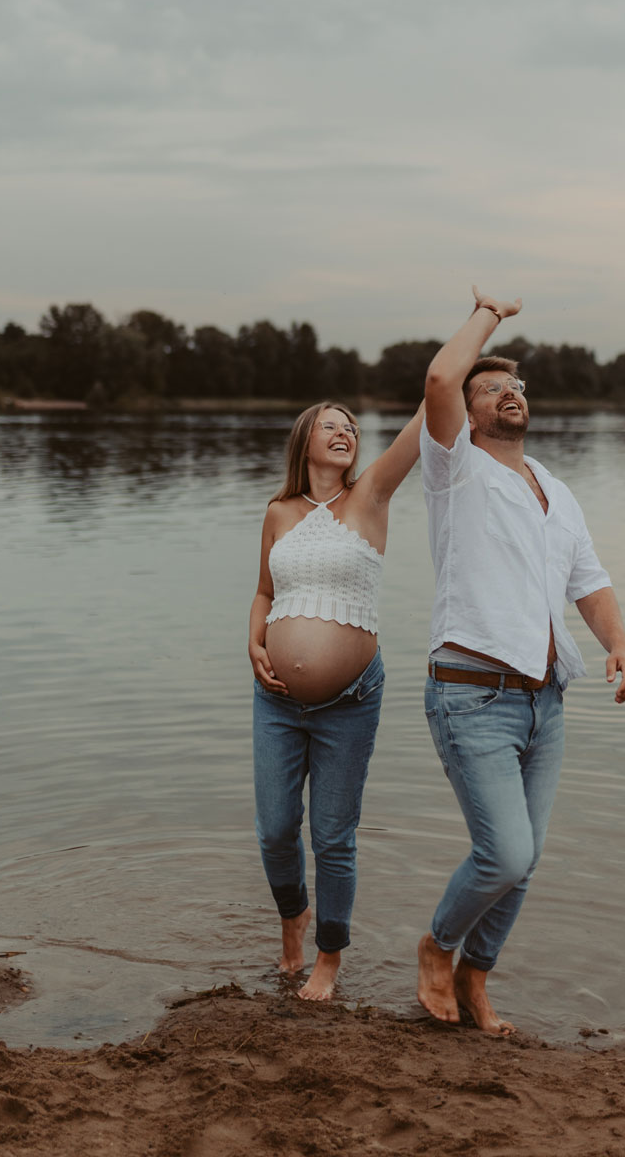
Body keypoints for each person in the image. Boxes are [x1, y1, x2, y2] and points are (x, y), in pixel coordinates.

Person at [416, 287, 625, 1035]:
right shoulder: (455, 470)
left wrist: (619, 644)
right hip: (472, 695)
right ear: (471, 412)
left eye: (517, 386)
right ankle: (437, 946)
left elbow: (590, 580)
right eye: (495, 388)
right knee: (505, 853)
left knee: (528, 857)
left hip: (547, 701)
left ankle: (478, 976)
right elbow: (441, 381)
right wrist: (490, 316)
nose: (511, 394)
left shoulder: (556, 487)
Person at [249, 399, 423, 1001]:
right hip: (273, 698)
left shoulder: (370, 495)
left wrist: (481, 328)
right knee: (274, 830)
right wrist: (253, 641)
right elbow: (265, 591)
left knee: (332, 836)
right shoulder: (277, 511)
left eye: (352, 426)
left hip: (349, 700)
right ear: (305, 440)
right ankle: (292, 915)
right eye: (332, 425)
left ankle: (328, 957)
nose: (346, 431)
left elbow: (431, 406)